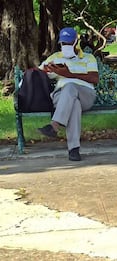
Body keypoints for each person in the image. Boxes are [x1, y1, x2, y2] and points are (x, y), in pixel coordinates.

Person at [38, 27, 99, 161]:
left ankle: (54, 125)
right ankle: (74, 150)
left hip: (85, 95)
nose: (65, 46)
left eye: (69, 43)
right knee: (74, 104)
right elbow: (37, 74)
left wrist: (69, 74)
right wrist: (49, 70)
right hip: (61, 97)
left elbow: (95, 79)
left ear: (76, 41)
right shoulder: (55, 57)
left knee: (71, 86)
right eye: (63, 43)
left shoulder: (88, 58)